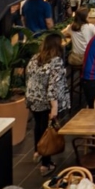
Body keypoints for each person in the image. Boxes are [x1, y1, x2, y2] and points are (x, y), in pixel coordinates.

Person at [26, 33, 69, 175]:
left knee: (38, 127)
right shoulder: (55, 61)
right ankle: (45, 164)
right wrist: (54, 107)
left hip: (33, 99)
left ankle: (38, 152)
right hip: (45, 101)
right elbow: (53, 86)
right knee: (47, 131)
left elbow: (28, 77)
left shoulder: (35, 58)